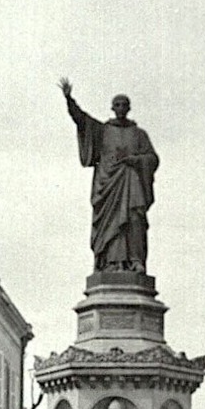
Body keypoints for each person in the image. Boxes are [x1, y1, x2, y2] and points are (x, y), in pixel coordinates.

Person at [59, 78, 159, 273]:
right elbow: (81, 120)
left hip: (131, 184)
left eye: (124, 105)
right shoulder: (102, 131)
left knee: (134, 220)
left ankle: (135, 261)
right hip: (108, 187)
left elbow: (153, 158)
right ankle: (109, 263)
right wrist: (69, 100)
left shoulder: (139, 134)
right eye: (117, 105)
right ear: (112, 108)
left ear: (129, 108)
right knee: (111, 227)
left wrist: (136, 160)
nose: (121, 108)